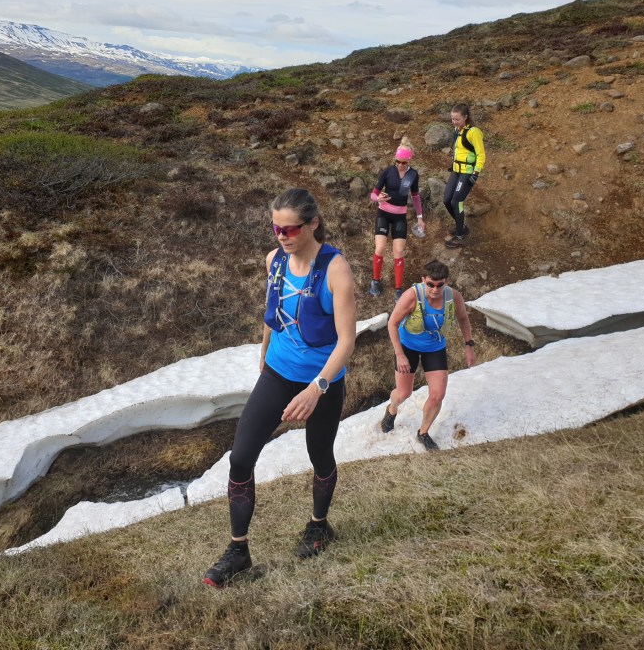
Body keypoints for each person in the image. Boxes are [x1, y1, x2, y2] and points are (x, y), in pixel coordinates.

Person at [203, 188, 357, 588]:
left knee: (320, 455)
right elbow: (272, 311)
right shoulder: (274, 261)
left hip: (322, 381)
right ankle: (238, 551)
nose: (282, 236)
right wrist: (264, 351)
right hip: (277, 373)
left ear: (312, 224)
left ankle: (319, 526)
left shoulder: (336, 270)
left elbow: (346, 341)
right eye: (276, 228)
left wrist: (316, 388)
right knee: (240, 458)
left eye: (290, 229)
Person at [381, 260, 476, 451]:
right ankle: (391, 410)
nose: (435, 289)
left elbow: (463, 318)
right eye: (430, 284)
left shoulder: (453, 297)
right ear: (423, 280)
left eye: (440, 285)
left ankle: (423, 432)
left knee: (438, 394)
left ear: (446, 282)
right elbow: (392, 323)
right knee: (404, 393)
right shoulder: (411, 296)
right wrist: (400, 354)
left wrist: (469, 345)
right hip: (408, 347)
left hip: (435, 347)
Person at [368, 143, 424, 302]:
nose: (400, 165)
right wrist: (378, 198)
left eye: (403, 162)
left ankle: (398, 289)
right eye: (397, 161)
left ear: (409, 161)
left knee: (398, 251)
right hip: (384, 213)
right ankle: (375, 281)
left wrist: (420, 217)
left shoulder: (413, 175)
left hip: (400, 215)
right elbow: (373, 194)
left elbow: (415, 196)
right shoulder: (388, 171)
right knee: (380, 247)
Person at [443, 102, 486, 248]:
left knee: (457, 201)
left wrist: (476, 172)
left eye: (457, 119)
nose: (454, 122)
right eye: (452, 119)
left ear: (465, 117)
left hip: (467, 173)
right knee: (447, 200)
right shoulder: (457, 130)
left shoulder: (474, 132)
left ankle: (460, 236)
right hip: (456, 170)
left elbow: (481, 154)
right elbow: (459, 150)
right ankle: (460, 226)